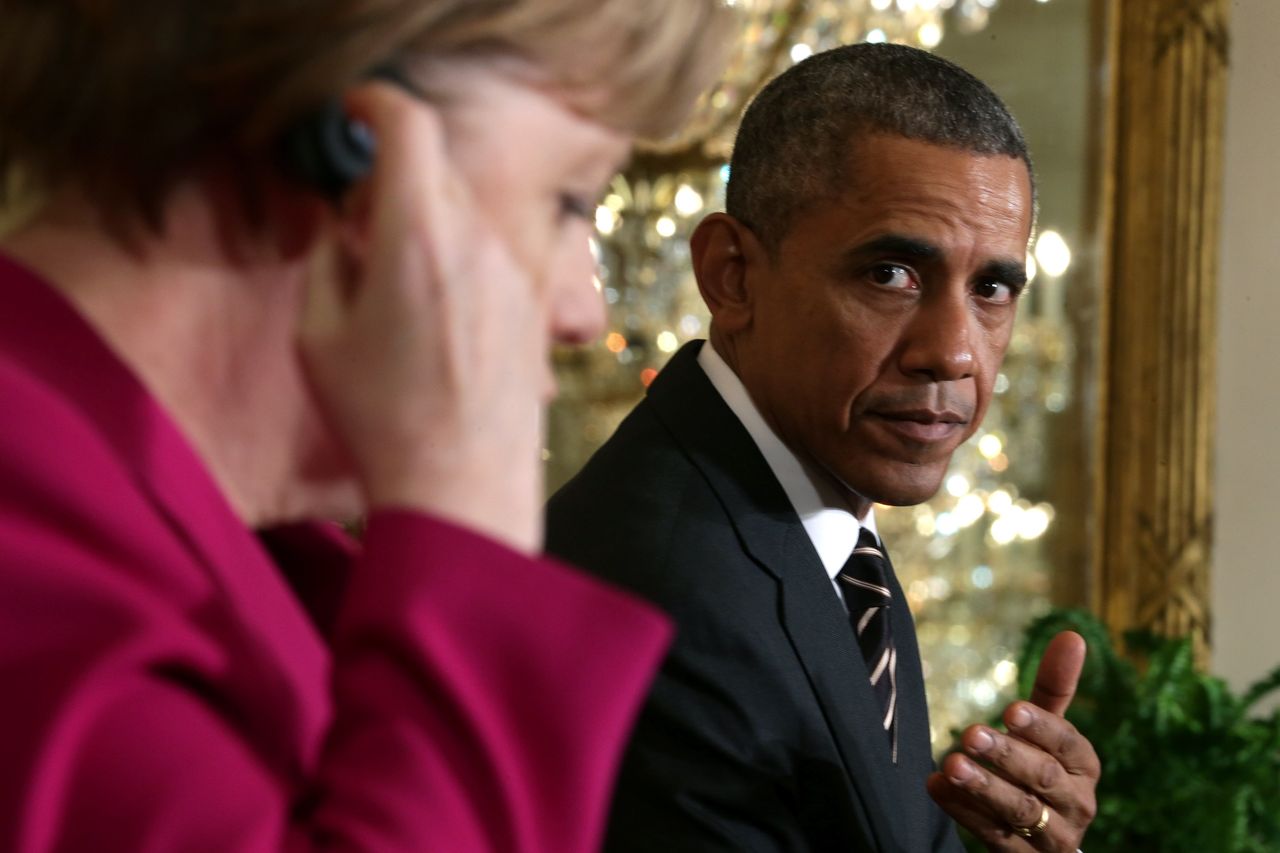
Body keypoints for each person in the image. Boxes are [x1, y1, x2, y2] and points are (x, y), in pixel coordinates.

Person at [0, 1, 731, 850]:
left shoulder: (210, 549)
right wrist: (467, 515)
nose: (582, 307)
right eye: (568, 200)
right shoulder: (31, 546)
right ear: (346, 150)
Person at [546, 43, 1101, 852]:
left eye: (991, 288)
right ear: (732, 275)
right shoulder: (669, 601)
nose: (953, 351)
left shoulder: (815, 525)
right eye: (890, 273)